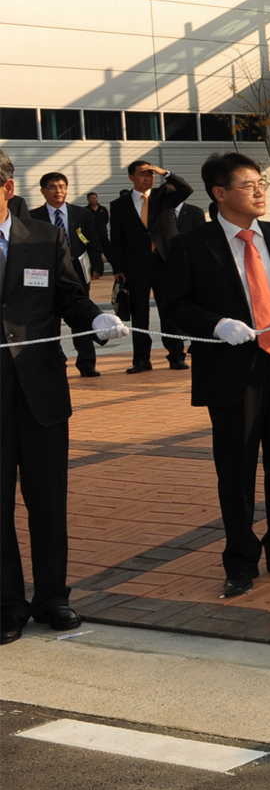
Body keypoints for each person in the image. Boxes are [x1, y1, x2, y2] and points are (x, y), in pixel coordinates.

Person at [158, 153, 270, 597]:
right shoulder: (191, 245)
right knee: (236, 468)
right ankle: (240, 558)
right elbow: (175, 308)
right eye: (248, 185)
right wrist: (215, 325)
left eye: (261, 183)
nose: (260, 191)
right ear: (219, 193)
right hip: (233, 370)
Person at [1, 148, 125, 643]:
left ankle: (53, 598)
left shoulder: (46, 237)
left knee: (48, 501)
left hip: (41, 393)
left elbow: (68, 295)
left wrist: (94, 319)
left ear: (6, 189)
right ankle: (8, 603)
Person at [107, 158, 192, 373]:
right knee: (139, 314)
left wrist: (165, 172)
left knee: (169, 310)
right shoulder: (119, 205)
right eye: (143, 174)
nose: (148, 178)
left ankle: (176, 355)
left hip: (164, 261)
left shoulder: (163, 196)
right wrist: (118, 268)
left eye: (151, 174)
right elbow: (116, 238)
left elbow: (186, 189)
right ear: (131, 177)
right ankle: (141, 359)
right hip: (136, 265)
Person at [29, 172, 99, 378]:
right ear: (43, 191)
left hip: (76, 271)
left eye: (62, 186)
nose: (58, 191)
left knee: (80, 315)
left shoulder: (81, 214)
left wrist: (96, 265)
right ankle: (53, 362)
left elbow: (92, 240)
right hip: (46, 273)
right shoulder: (33, 217)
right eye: (52, 187)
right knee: (49, 320)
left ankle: (87, 363)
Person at [82, 192, 109, 279]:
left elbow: (106, 220)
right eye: (91, 198)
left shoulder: (103, 209)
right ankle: (96, 272)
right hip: (92, 238)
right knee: (95, 255)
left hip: (103, 236)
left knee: (110, 253)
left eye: (95, 198)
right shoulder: (86, 211)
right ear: (88, 200)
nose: (94, 200)